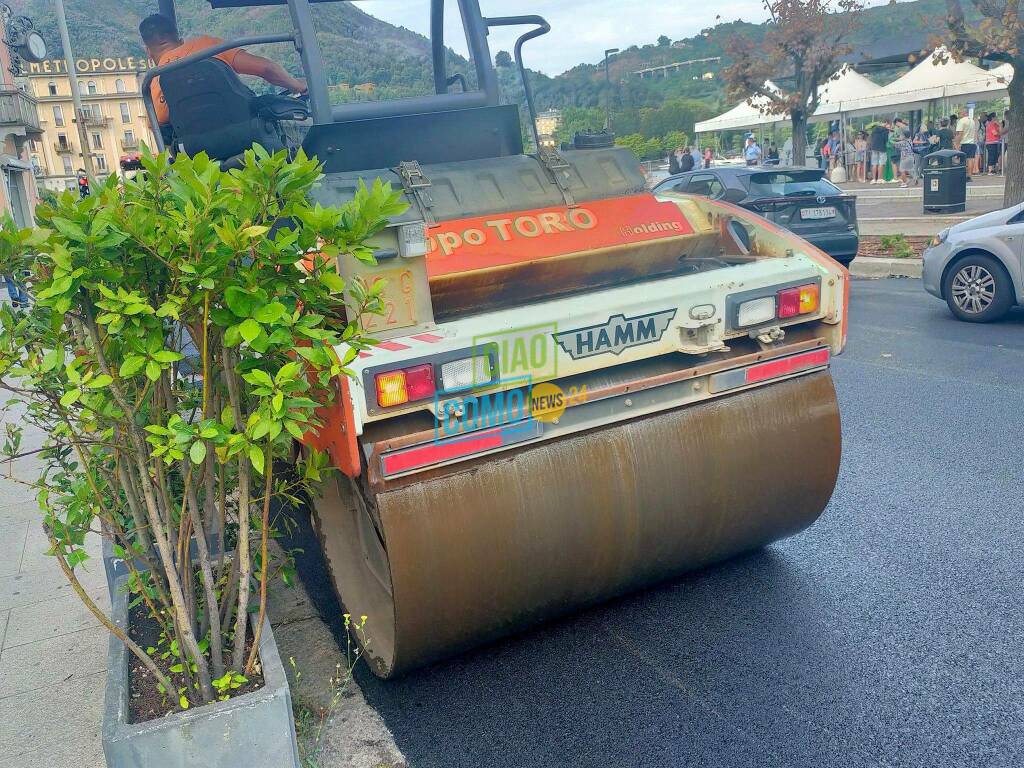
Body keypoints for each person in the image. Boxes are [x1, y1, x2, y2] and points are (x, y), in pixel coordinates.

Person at [139, 14, 307, 127]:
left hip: (197, 156)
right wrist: (298, 86)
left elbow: (158, 126)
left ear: (148, 51)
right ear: (181, 41)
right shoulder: (208, 46)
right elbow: (266, 68)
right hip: (247, 137)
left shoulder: (153, 81)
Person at [954, 107, 978, 176]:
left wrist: (957, 143)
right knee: (971, 159)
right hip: (972, 143)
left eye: (960, 113)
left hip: (964, 143)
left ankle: (963, 175)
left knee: (962, 160)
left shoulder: (961, 121)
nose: (959, 114)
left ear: (964, 113)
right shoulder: (972, 121)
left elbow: (960, 134)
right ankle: (969, 175)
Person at [869, 120, 891, 184]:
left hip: (874, 147)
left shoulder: (874, 129)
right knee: (881, 163)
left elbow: (872, 138)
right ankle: (879, 179)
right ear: (886, 123)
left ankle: (873, 179)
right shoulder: (885, 130)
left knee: (874, 163)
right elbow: (886, 140)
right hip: (882, 148)